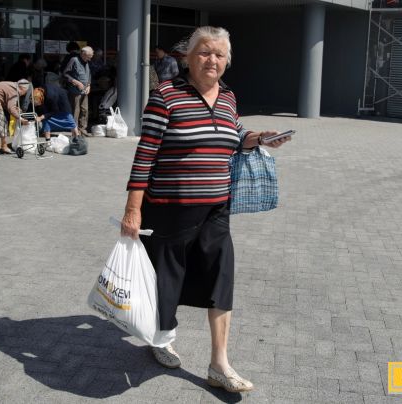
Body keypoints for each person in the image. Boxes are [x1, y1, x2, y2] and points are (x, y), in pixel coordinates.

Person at [121, 26, 291, 393]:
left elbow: (234, 134)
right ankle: (162, 337)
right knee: (166, 281)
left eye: (219, 54)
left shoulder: (228, 97)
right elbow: (144, 156)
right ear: (188, 57)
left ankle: (219, 363)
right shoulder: (165, 97)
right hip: (169, 209)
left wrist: (258, 139)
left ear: (227, 60)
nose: (211, 60)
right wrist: (133, 210)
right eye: (204, 52)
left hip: (216, 207)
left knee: (220, 278)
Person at [64, 46, 93, 136]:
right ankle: (75, 130)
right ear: (83, 54)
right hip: (75, 91)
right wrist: (76, 82)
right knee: (75, 111)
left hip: (84, 90)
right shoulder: (74, 60)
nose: (90, 59)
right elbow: (65, 74)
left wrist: (89, 85)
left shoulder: (86, 62)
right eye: (88, 57)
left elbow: (89, 74)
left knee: (85, 110)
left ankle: (83, 129)